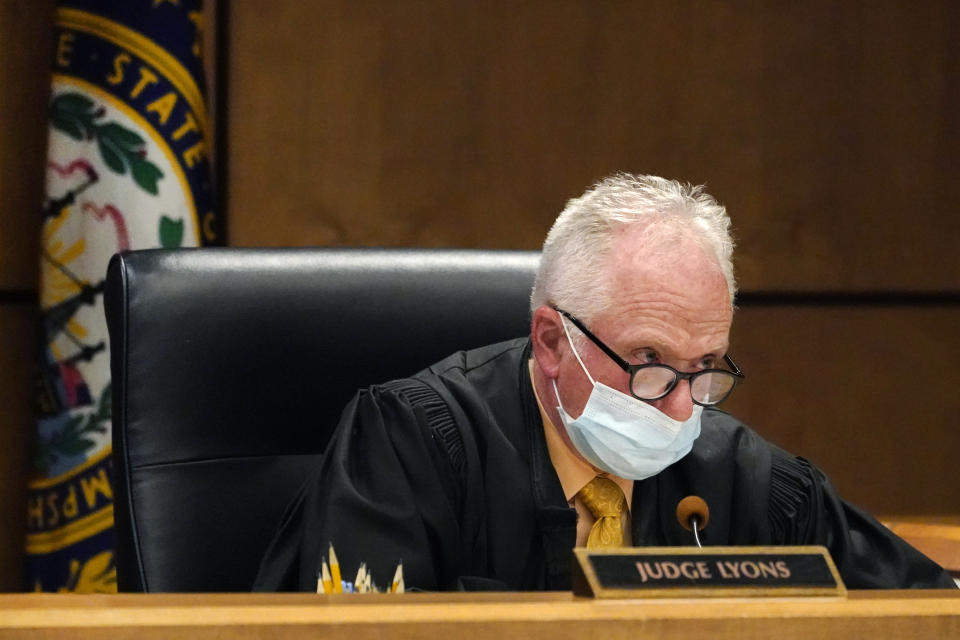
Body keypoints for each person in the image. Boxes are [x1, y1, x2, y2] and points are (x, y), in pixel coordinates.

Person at [254, 173, 954, 591]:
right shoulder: (413, 447)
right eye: (650, 362)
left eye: (706, 367)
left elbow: (923, 607)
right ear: (554, 342)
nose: (682, 407)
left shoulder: (746, 484)